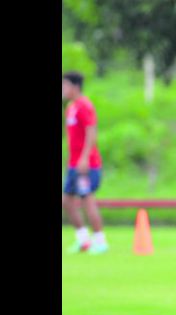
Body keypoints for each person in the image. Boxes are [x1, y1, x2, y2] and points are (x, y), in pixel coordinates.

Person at [62, 71, 108, 254]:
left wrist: (84, 157)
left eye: (65, 85)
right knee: (66, 201)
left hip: (86, 164)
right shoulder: (70, 107)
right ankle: (83, 240)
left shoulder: (84, 106)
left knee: (87, 199)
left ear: (75, 87)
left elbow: (91, 132)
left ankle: (100, 241)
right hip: (73, 164)